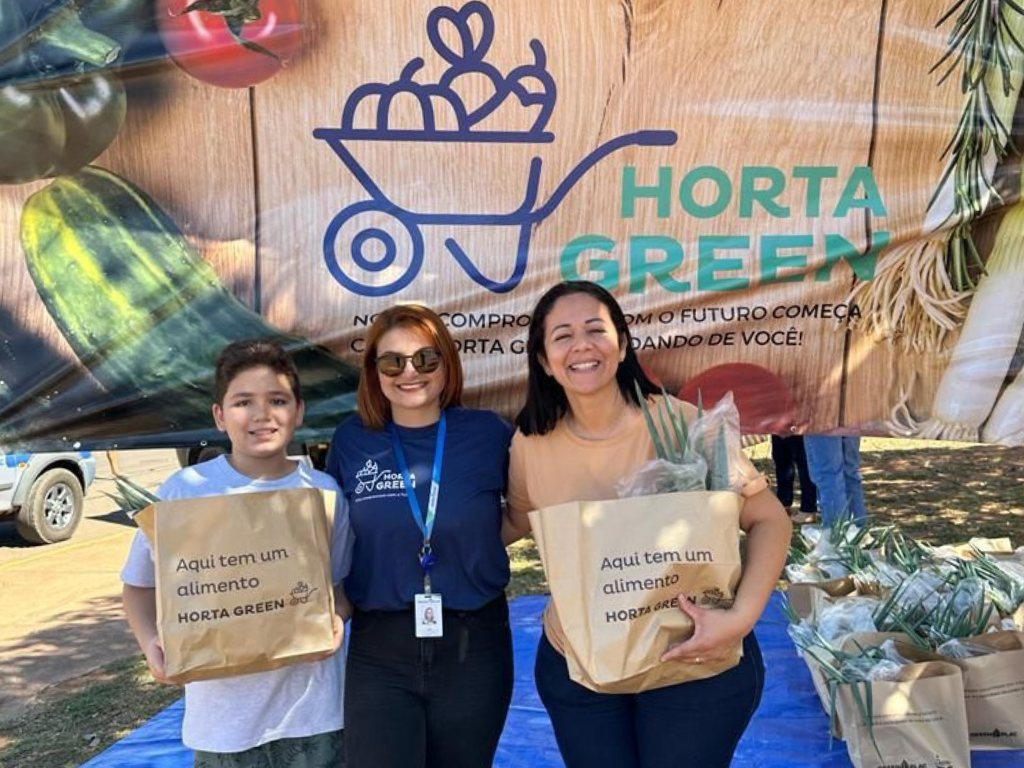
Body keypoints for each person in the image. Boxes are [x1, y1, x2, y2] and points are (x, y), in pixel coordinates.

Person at [503, 281, 792, 768]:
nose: (581, 345)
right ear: (543, 360)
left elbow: (769, 519)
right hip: (581, 670)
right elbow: (514, 522)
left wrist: (740, 620)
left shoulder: (685, 426)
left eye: (596, 330)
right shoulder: (529, 444)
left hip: (690, 662)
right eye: (563, 336)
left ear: (622, 345)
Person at [121, 339, 353, 768]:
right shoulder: (184, 492)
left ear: (299, 411)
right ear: (219, 415)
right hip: (223, 724)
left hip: (314, 713)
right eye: (243, 402)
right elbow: (138, 586)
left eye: (277, 400)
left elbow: (337, 588)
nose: (262, 414)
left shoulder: (322, 492)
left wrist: (336, 619)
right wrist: (150, 643)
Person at [326, 304, 514, 768]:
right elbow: (334, 539)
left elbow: (525, 512)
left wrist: (473, 544)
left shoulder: (489, 435)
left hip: (474, 642)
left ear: (447, 364)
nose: (410, 372)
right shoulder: (351, 440)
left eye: (426, 358)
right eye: (393, 362)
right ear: (374, 372)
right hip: (380, 647)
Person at [803, 435, 866, 527]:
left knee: (829, 476)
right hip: (850, 428)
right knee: (849, 473)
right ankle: (858, 529)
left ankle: (837, 531)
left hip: (822, 429)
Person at [770, 434, 817, 522]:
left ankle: (808, 509)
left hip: (799, 429)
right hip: (778, 427)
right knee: (781, 459)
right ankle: (784, 505)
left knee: (804, 463)